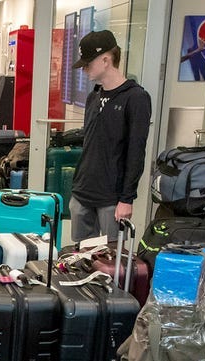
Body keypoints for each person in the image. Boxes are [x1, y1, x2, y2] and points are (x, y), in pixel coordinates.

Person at [69, 29, 151, 246]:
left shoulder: (136, 98)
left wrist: (127, 198)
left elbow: (136, 151)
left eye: (88, 63)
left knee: (110, 258)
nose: (85, 69)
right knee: (79, 256)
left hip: (111, 197)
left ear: (106, 60)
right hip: (82, 191)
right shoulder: (93, 97)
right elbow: (90, 143)